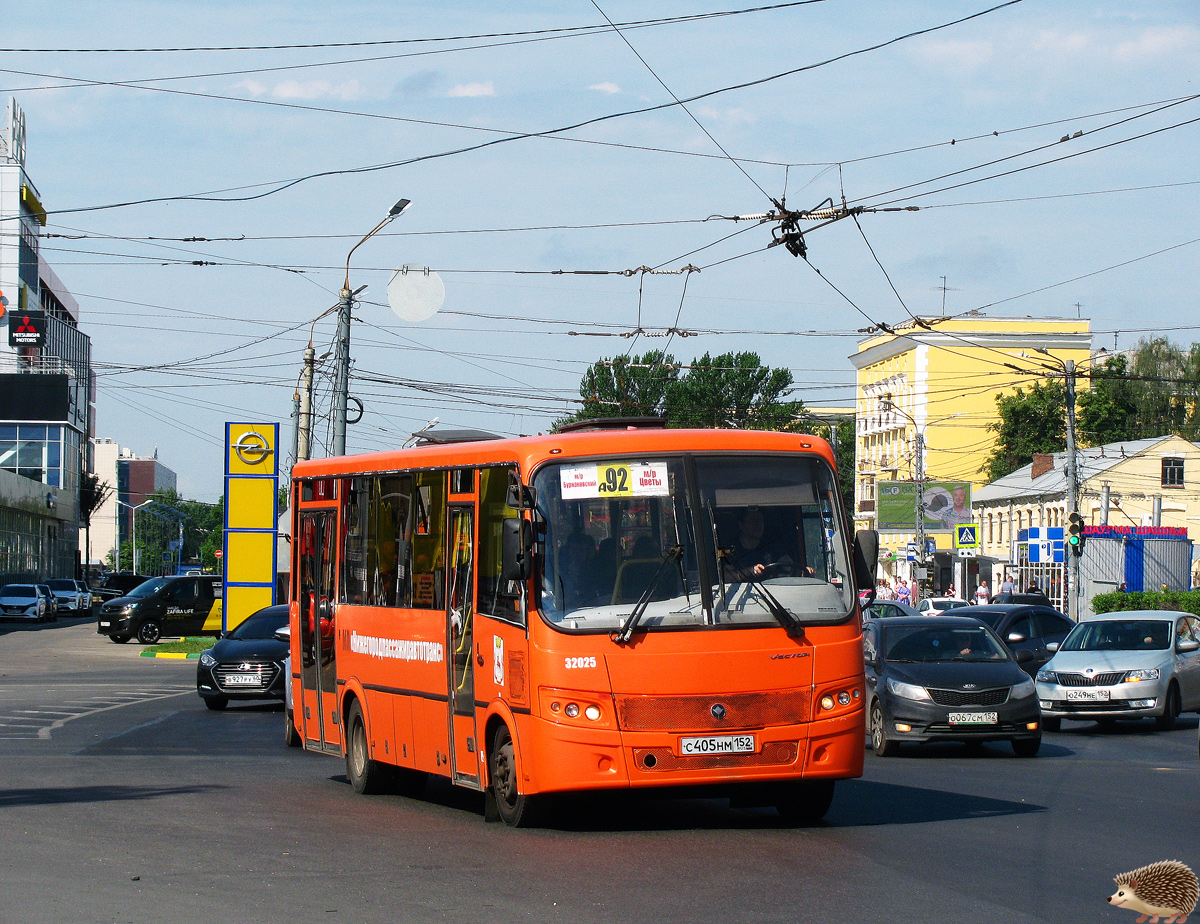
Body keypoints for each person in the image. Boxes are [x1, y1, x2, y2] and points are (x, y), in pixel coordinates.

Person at [724, 507, 793, 579]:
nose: (758, 525)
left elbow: (788, 565)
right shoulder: (729, 549)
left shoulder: (771, 544)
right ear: (741, 525)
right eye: (753, 521)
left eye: (760, 521)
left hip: (771, 588)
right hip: (744, 589)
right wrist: (750, 571)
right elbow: (726, 577)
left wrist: (801, 571)